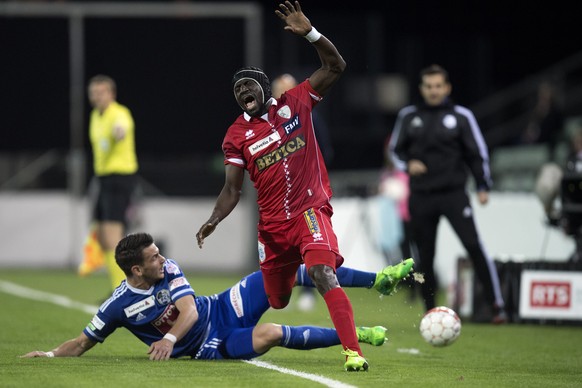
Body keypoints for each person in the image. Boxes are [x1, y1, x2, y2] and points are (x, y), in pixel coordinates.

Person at [196, 1, 414, 371]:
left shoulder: (295, 103)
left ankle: (353, 352)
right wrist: (214, 218)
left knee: (321, 271)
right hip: (273, 229)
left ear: (264, 86)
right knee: (277, 299)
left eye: (248, 85)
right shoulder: (236, 136)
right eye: (237, 90)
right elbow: (232, 189)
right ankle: (378, 280)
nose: (242, 92)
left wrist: (311, 34)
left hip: (309, 211)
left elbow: (336, 67)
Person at [21, 232, 413, 365]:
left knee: (287, 272)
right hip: (212, 344)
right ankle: (355, 336)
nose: (163, 258)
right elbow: (84, 341)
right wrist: (52, 356)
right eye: (154, 257)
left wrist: (169, 338)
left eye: (159, 252)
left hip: (222, 307)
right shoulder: (116, 307)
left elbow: (190, 309)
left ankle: (377, 279)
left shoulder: (168, 268)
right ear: (136, 271)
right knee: (272, 333)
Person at [389, 64, 507, 324]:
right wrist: (408, 164)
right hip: (421, 196)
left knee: (474, 246)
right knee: (424, 257)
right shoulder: (409, 116)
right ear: (422, 89)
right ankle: (430, 311)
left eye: (438, 86)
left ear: (447, 88)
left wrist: (483, 186)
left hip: (454, 194)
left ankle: (496, 305)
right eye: (429, 86)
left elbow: (477, 153)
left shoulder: (461, 116)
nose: (434, 91)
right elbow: (395, 152)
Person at [271, 72, 334, 312]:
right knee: (281, 245)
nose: (285, 95)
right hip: (278, 196)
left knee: (311, 243)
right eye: (281, 90)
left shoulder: (309, 116)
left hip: (306, 195)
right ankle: (282, 291)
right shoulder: (268, 121)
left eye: (290, 89)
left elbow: (326, 151)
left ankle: (309, 291)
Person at [78, 75, 140, 292]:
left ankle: (127, 287)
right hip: (103, 178)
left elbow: (121, 127)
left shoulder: (119, 113)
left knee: (114, 234)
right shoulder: (96, 115)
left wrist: (119, 132)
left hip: (120, 177)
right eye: (93, 93)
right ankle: (118, 286)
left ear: (111, 94)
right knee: (103, 236)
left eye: (101, 92)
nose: (97, 97)